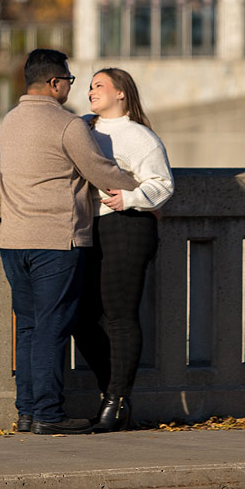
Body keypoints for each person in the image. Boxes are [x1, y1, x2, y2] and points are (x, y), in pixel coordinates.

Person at [0, 49, 141, 435]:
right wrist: (144, 191)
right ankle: (48, 414)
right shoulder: (67, 124)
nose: (71, 87)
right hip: (55, 241)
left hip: (13, 240)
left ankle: (27, 412)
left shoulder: (9, 121)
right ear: (55, 83)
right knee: (52, 327)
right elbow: (100, 171)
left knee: (29, 328)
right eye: (69, 80)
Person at [75, 67, 174, 433]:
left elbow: (163, 184)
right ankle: (114, 395)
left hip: (128, 226)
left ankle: (115, 402)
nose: (91, 91)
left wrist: (130, 198)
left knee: (120, 316)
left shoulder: (139, 136)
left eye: (99, 85)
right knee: (80, 316)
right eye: (89, 87)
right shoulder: (83, 129)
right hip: (91, 228)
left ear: (121, 93)